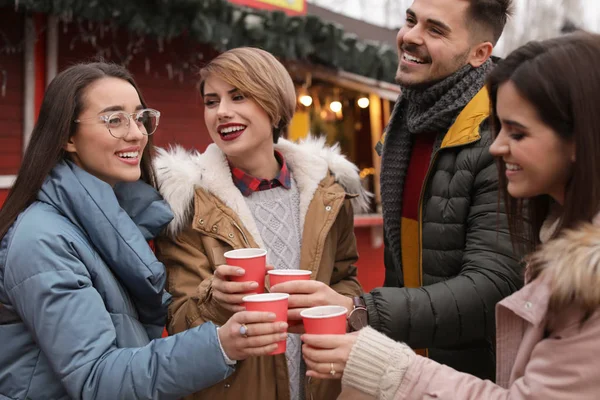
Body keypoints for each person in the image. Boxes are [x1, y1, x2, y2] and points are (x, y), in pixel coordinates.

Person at [302, 31, 600, 399]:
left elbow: (492, 288)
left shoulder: (590, 270)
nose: (497, 145)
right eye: (411, 19)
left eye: (518, 134)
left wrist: (368, 328)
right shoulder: (408, 131)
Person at [0, 62, 288, 400]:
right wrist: (220, 346)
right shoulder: (43, 241)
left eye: (139, 118)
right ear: (67, 137)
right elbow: (96, 379)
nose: (137, 133)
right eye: (114, 120)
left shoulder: (118, 223)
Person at [154, 47, 368, 400]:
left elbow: (344, 277)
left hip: (321, 387)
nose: (222, 111)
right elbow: (178, 321)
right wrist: (217, 299)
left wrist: (334, 304)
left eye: (238, 96)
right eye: (211, 101)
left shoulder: (328, 193)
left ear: (274, 103)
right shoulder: (186, 205)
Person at [347, 0, 522, 379]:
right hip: (410, 370)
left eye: (435, 30)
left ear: (480, 53)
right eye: (410, 20)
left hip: (480, 378)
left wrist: (364, 311)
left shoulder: (499, 136)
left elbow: (493, 287)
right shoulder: (408, 122)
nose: (410, 37)